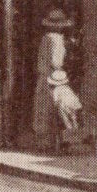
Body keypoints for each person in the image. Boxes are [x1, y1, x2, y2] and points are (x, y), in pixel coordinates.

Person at [32, 8, 72, 149]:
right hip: (54, 78)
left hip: (43, 77)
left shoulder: (45, 38)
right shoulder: (57, 40)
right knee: (57, 109)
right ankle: (57, 141)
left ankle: (45, 142)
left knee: (44, 109)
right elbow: (56, 62)